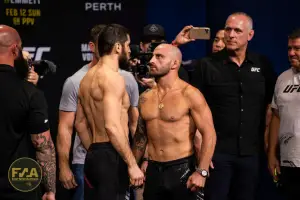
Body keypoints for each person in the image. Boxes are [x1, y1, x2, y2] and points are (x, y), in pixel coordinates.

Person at [172, 12, 277, 200]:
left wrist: (269, 146)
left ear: (250, 35)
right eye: (228, 29)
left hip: (251, 155)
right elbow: (191, 110)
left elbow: (271, 107)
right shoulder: (207, 65)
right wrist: (201, 151)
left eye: (237, 30)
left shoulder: (262, 65)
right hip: (216, 155)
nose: (231, 35)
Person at [132, 43, 216, 200]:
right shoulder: (145, 98)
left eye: (159, 57)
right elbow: (140, 138)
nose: (151, 60)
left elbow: (209, 134)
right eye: (152, 56)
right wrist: (132, 166)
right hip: (154, 170)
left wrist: (202, 172)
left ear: (175, 64)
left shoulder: (190, 94)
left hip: (183, 169)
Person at [75, 24, 144, 200]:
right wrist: (132, 164)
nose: (129, 50)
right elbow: (112, 126)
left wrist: (94, 151)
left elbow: (80, 124)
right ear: (118, 47)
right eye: (128, 45)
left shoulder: (86, 79)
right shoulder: (113, 78)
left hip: (94, 155)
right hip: (112, 155)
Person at [0, 25, 56, 200]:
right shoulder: (30, 93)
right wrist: (50, 189)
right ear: (15, 49)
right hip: (19, 184)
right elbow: (43, 147)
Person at [57, 24, 105, 200]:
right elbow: (65, 127)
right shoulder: (75, 81)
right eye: (104, 44)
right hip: (83, 163)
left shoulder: (126, 78)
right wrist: (64, 166)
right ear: (92, 47)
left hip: (118, 164)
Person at [268, 28, 300, 200]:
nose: (292, 53)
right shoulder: (282, 78)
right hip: (289, 161)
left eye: (297, 48)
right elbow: (276, 117)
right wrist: (272, 154)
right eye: (289, 48)